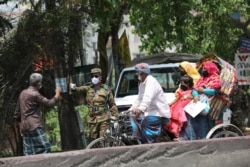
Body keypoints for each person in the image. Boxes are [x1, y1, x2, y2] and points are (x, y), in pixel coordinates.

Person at [14, 73, 61, 156]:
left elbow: (17, 113)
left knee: (29, 152)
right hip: (34, 125)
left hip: (25, 127)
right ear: (38, 83)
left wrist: (20, 126)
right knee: (45, 147)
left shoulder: (22, 93)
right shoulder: (35, 94)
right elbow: (49, 103)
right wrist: (57, 94)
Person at [124, 63, 171, 144]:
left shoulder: (151, 81)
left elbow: (147, 98)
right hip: (148, 113)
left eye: (137, 72)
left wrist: (140, 109)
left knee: (147, 124)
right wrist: (131, 109)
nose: (136, 74)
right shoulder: (142, 84)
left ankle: (149, 146)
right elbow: (139, 99)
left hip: (157, 113)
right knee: (133, 121)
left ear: (143, 73)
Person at [70, 67, 118, 142]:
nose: (94, 78)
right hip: (92, 119)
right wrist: (73, 88)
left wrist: (115, 118)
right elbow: (78, 90)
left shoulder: (106, 89)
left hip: (104, 118)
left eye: (96, 76)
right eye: (92, 76)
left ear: (100, 77)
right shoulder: (88, 88)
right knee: (93, 141)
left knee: (104, 139)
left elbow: (112, 105)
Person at [192, 61, 221, 139]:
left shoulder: (215, 78)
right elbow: (194, 89)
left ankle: (205, 139)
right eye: (203, 68)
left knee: (203, 123)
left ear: (210, 69)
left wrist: (204, 91)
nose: (203, 70)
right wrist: (195, 95)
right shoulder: (201, 79)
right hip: (199, 102)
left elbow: (216, 91)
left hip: (210, 103)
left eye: (205, 68)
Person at [164, 75, 199, 140]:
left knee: (188, 125)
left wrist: (192, 98)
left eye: (185, 83)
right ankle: (181, 137)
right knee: (179, 124)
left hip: (188, 111)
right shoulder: (181, 91)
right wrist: (169, 104)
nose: (183, 84)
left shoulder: (193, 91)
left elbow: (196, 97)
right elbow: (176, 99)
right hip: (178, 111)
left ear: (189, 83)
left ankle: (190, 138)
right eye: (181, 83)